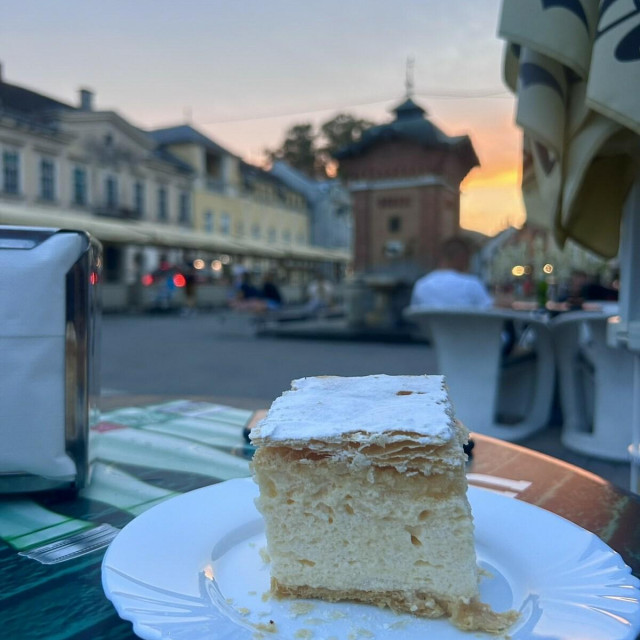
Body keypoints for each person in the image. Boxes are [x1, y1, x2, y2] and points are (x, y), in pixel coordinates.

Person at [410, 237, 493, 309]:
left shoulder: (421, 285)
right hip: (467, 327)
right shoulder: (472, 284)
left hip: (431, 328)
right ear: (462, 258)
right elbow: (489, 311)